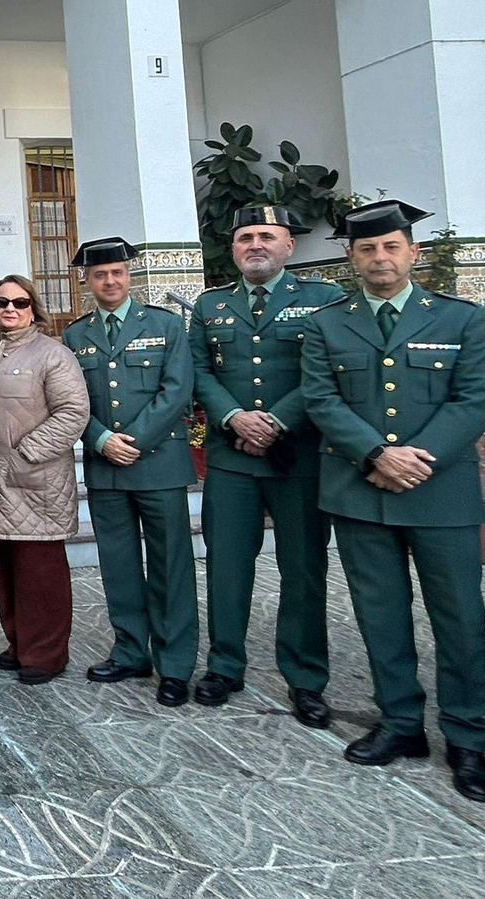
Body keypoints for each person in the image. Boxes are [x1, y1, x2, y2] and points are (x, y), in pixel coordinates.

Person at [301, 199, 485, 802]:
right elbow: (321, 400)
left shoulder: (463, 321)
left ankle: (469, 736)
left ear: (413, 251)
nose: (380, 257)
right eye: (366, 249)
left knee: (460, 618)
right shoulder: (328, 323)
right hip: (361, 492)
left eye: (391, 247)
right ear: (350, 258)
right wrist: (377, 455)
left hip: (441, 492)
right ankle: (401, 723)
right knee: (381, 616)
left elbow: (472, 401)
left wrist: (414, 459)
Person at [187, 206, 343, 725]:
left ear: (288, 246)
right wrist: (234, 417)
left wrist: (275, 421)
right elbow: (200, 371)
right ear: (233, 249)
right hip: (231, 460)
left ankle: (305, 677)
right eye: (246, 237)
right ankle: (225, 666)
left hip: (298, 457)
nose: (256, 244)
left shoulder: (322, 299)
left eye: (267, 236)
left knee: (303, 569)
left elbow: (326, 373)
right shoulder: (211, 305)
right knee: (227, 566)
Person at [61, 237, 198, 707]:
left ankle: (176, 665)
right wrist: (99, 439)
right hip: (107, 470)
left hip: (157, 463)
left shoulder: (164, 325)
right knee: (118, 565)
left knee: (171, 566)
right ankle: (130, 651)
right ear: (87, 281)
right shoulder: (75, 336)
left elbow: (177, 390)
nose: (110, 281)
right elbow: (71, 400)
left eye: (117, 273)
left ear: (130, 276)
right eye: (100, 275)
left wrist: (132, 441)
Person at [0, 276, 89, 685]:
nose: (10, 309)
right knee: (4, 569)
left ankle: (46, 654)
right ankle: (19, 643)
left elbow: (73, 412)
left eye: (19, 303)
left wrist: (27, 452)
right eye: (1, 302)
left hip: (35, 480)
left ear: (33, 308)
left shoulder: (51, 354)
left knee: (40, 574)